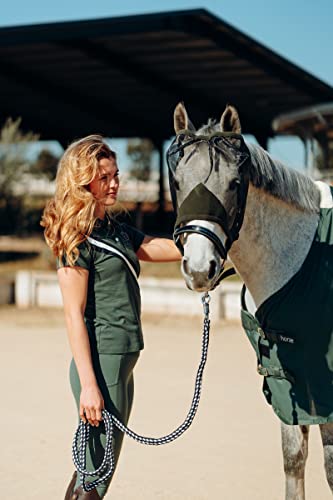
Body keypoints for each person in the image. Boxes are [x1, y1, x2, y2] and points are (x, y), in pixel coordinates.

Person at [41, 135, 181, 499]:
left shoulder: (113, 229)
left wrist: (204, 243)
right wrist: (89, 385)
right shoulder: (78, 237)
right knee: (97, 477)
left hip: (121, 361)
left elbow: (152, 246)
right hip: (102, 364)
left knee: (91, 469)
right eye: (104, 177)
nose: (114, 183)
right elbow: (73, 314)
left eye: (115, 175)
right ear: (83, 181)